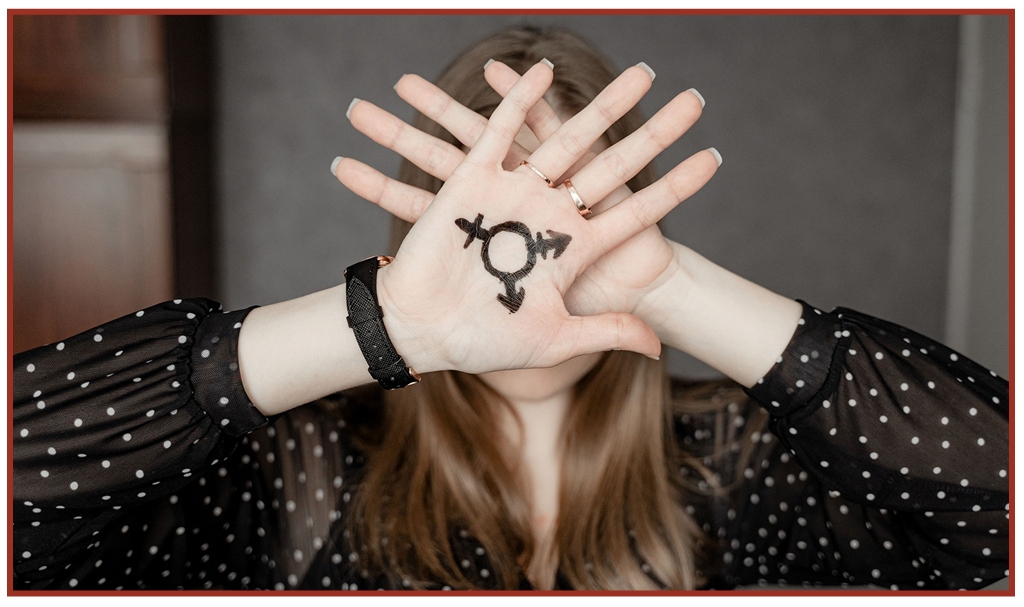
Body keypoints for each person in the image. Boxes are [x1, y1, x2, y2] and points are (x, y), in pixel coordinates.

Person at [12, 27, 1008, 591]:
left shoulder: (739, 456)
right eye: (489, 219)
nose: (534, 269)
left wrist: (670, 288)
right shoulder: (295, 470)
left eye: (579, 213)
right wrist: (382, 324)